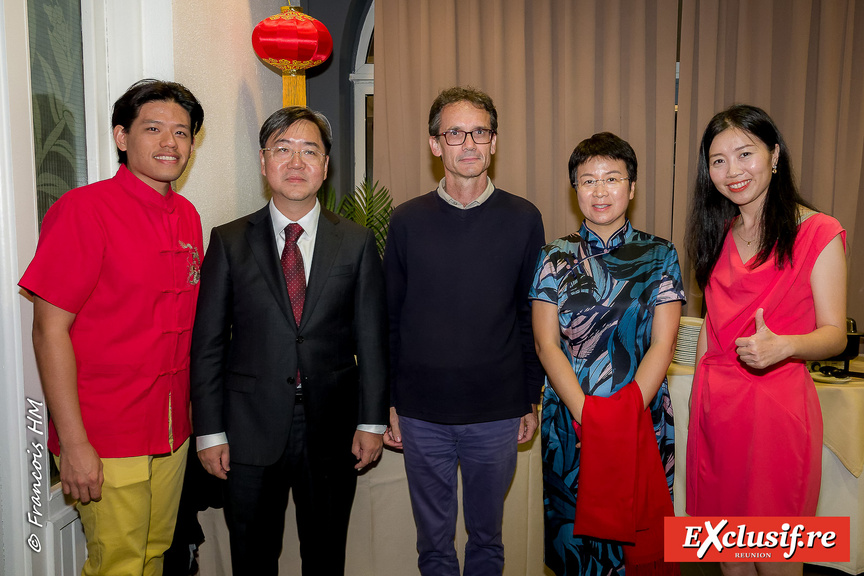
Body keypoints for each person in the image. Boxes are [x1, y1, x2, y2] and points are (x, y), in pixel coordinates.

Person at [190, 106, 388, 576]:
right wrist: (210, 430)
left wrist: (372, 422)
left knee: (325, 555)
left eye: (308, 151)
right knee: (253, 557)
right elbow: (209, 344)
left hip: (332, 427)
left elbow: (373, 338)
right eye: (283, 150)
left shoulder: (356, 242)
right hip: (248, 428)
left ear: (325, 166)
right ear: (263, 162)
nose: (295, 163)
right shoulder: (229, 240)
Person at [19, 79, 205, 576]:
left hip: (172, 431)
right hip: (107, 433)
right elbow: (48, 331)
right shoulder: (85, 210)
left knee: (154, 554)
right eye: (154, 129)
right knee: (117, 565)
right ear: (122, 137)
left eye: (182, 132)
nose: (170, 143)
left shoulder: (187, 216)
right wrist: (74, 444)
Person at [383, 86, 545, 576]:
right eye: (455, 132)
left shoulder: (524, 218)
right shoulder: (407, 220)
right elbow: (390, 316)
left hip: (495, 412)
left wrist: (529, 397)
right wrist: (389, 399)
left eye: (480, 131)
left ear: (493, 141)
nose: (469, 143)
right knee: (432, 545)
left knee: (487, 540)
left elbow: (528, 315)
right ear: (436, 144)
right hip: (421, 411)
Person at [685, 105, 847, 576]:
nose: (732, 171)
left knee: (775, 558)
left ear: (774, 155)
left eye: (744, 153)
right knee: (729, 560)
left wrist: (786, 346)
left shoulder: (818, 230)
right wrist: (699, 404)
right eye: (718, 161)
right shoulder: (717, 234)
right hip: (717, 411)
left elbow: (835, 334)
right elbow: (709, 331)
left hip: (776, 410)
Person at [531, 132, 683, 575]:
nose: (600, 191)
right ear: (574, 188)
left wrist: (625, 414)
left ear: (631, 187)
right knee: (577, 541)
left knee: (637, 545)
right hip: (571, 418)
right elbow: (546, 343)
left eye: (612, 178)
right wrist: (588, 417)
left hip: (641, 415)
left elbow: (664, 343)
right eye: (587, 180)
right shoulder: (554, 256)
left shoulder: (660, 255)